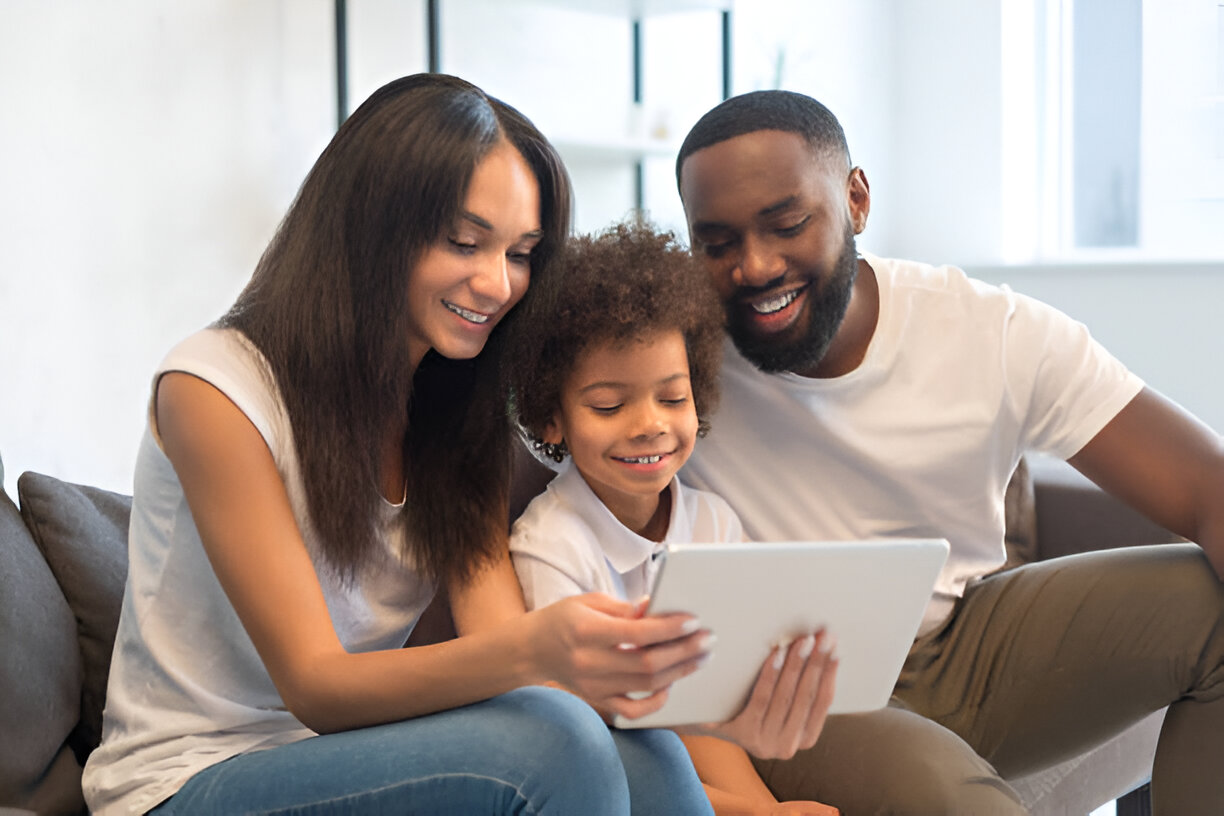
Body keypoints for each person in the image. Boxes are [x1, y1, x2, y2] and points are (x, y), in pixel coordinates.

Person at [83, 73, 726, 816]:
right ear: (373, 224)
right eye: (464, 241)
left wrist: (667, 689)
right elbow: (317, 686)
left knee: (638, 749)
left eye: (520, 253)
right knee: (556, 742)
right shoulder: (216, 388)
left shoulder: (459, 417)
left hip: (350, 757)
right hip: (187, 780)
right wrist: (541, 646)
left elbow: (503, 651)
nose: (497, 283)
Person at [672, 89, 1224, 815]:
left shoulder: (991, 331)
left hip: (964, 644)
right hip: (799, 690)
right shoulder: (669, 353)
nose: (754, 265)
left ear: (856, 199)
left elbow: (1204, 489)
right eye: (717, 243)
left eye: (787, 224)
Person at [505, 220, 840, 816]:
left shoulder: (712, 521)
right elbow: (590, 742)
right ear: (551, 419)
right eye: (609, 405)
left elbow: (725, 693)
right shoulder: (550, 543)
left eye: (673, 397)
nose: (649, 424)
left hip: (713, 746)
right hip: (608, 767)